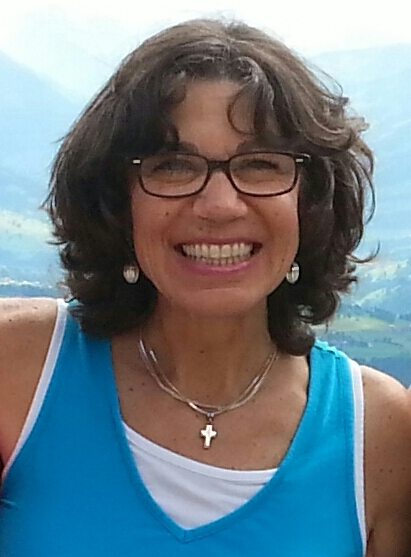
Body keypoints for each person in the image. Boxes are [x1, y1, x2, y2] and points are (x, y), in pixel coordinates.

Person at [0, 18, 410, 557]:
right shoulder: (18, 367)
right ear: (117, 202)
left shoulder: (380, 433)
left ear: (310, 204)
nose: (219, 205)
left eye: (260, 164)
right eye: (174, 166)